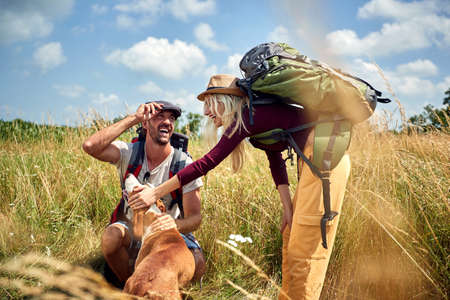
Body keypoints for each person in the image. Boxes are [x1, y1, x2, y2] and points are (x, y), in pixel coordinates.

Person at [137, 74, 351, 300]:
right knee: (291, 238)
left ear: (226, 100)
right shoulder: (256, 117)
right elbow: (275, 158)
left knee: (306, 250)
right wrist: (287, 208)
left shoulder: (249, 116)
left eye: (210, 103)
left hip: (324, 162)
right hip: (316, 161)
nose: (206, 112)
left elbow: (207, 163)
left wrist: (155, 192)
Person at [82, 100, 204, 287]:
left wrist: (174, 223)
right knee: (111, 237)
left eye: (171, 118)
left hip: (168, 231)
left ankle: (163, 288)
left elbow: (196, 218)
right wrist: (134, 118)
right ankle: (128, 285)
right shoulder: (129, 153)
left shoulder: (183, 164)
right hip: (134, 229)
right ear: (145, 123)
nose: (167, 122)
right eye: (159, 117)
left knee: (198, 264)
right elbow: (90, 146)